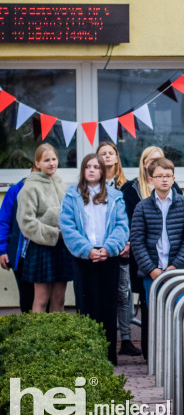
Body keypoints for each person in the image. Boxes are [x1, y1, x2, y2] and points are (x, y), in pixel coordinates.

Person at [59, 154, 130, 364]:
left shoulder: (115, 196)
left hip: (108, 256)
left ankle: (108, 355)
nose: (91, 170)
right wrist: (86, 250)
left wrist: (108, 248)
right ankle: (89, 356)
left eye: (96, 167)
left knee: (108, 306)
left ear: (102, 171)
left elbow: (121, 226)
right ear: (82, 170)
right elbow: (68, 227)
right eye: (88, 167)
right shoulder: (71, 195)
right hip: (84, 257)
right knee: (87, 305)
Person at [129, 157, 184, 362]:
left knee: (182, 314)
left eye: (168, 176)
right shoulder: (142, 207)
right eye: (159, 176)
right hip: (153, 274)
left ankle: (182, 357)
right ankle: (161, 359)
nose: (164, 180)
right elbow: (137, 241)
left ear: (174, 178)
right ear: (151, 180)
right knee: (158, 317)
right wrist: (152, 269)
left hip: (179, 272)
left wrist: (175, 266)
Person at [17, 144, 71, 313]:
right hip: (42, 248)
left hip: (62, 247)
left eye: (54, 159)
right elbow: (26, 222)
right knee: (41, 298)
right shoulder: (30, 187)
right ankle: (39, 337)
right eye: (46, 160)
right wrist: (54, 233)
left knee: (59, 298)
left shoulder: (63, 186)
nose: (51, 163)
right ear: (37, 163)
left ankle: (57, 337)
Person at [97, 141, 140, 356]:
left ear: (116, 158)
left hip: (122, 248)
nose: (106, 157)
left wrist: (128, 242)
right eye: (102, 153)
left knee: (123, 294)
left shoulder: (127, 186)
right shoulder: (92, 185)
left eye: (110, 153)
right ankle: (103, 339)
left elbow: (131, 218)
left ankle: (125, 339)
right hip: (99, 250)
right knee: (102, 294)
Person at [0, 168, 32, 313]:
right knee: (26, 297)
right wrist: (3, 250)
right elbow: (4, 222)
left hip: (44, 254)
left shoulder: (52, 189)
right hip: (21, 255)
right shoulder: (15, 190)